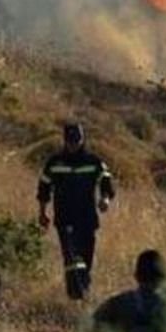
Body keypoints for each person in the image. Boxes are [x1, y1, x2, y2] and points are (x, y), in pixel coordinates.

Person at [38, 123, 115, 300]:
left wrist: (105, 199)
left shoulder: (93, 161)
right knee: (72, 257)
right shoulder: (54, 163)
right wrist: (42, 212)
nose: (73, 145)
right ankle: (75, 295)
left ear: (82, 140)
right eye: (70, 142)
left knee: (86, 257)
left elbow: (106, 182)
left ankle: (83, 291)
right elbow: (43, 188)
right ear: (65, 141)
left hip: (87, 218)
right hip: (65, 218)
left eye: (77, 141)